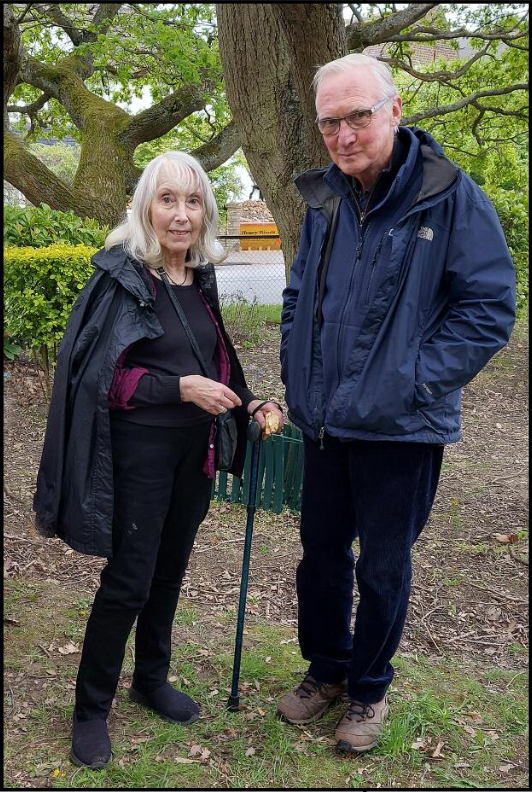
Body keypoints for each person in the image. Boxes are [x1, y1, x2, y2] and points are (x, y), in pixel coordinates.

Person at [278, 54, 515, 753]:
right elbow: (300, 299)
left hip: (401, 429)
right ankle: (326, 668)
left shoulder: (451, 197)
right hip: (324, 421)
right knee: (319, 552)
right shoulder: (325, 199)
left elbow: (488, 309)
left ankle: (370, 688)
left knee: (382, 565)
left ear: (395, 109)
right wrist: (300, 374)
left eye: (358, 116)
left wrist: (410, 383)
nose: (344, 135)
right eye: (330, 122)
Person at [33, 151, 283, 769]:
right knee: (128, 582)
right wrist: (180, 389)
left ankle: (150, 679)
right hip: (137, 454)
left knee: (169, 572)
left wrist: (248, 404)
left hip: (190, 454)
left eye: (193, 201)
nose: (181, 215)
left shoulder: (200, 279)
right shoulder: (122, 277)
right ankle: (90, 710)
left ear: (206, 212)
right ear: (147, 206)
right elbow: (103, 380)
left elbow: (214, 354)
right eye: (168, 200)